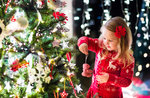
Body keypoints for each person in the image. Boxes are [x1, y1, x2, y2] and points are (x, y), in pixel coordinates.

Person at [78, 16, 135, 98]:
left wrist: (110, 78)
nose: (106, 42)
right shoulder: (101, 45)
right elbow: (84, 39)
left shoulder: (126, 58)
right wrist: (83, 43)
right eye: (104, 38)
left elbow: (127, 81)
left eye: (110, 40)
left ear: (121, 41)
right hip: (94, 93)